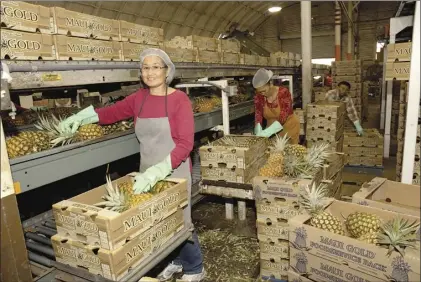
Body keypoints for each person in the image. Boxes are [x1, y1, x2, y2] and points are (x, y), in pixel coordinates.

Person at [58, 48, 205, 281]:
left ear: (167, 71)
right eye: (145, 67)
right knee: (156, 221)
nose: (150, 72)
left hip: (173, 170)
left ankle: (195, 266)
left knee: (179, 219)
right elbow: (111, 113)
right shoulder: (139, 98)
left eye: (156, 67)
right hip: (147, 169)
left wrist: (160, 170)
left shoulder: (179, 100)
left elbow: (186, 144)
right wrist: (81, 118)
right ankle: (176, 260)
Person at [252, 68, 300, 144]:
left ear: (270, 84)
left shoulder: (283, 93)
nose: (262, 94)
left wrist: (267, 132)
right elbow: (258, 114)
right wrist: (258, 128)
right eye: (259, 92)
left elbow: (283, 116)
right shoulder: (259, 96)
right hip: (272, 132)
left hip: (288, 128)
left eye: (264, 91)